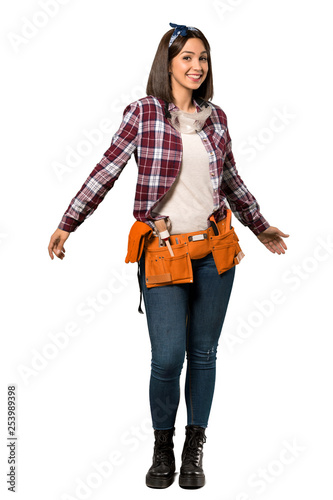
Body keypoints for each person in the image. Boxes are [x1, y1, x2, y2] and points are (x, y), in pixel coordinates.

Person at [48, 23, 289, 490]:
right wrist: (68, 222)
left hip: (215, 250)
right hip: (162, 254)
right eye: (187, 58)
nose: (197, 66)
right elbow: (106, 171)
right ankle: (163, 445)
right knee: (167, 357)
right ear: (169, 63)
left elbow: (233, 182)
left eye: (203, 59)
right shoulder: (143, 113)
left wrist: (260, 226)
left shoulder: (216, 118)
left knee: (204, 353)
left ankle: (194, 447)